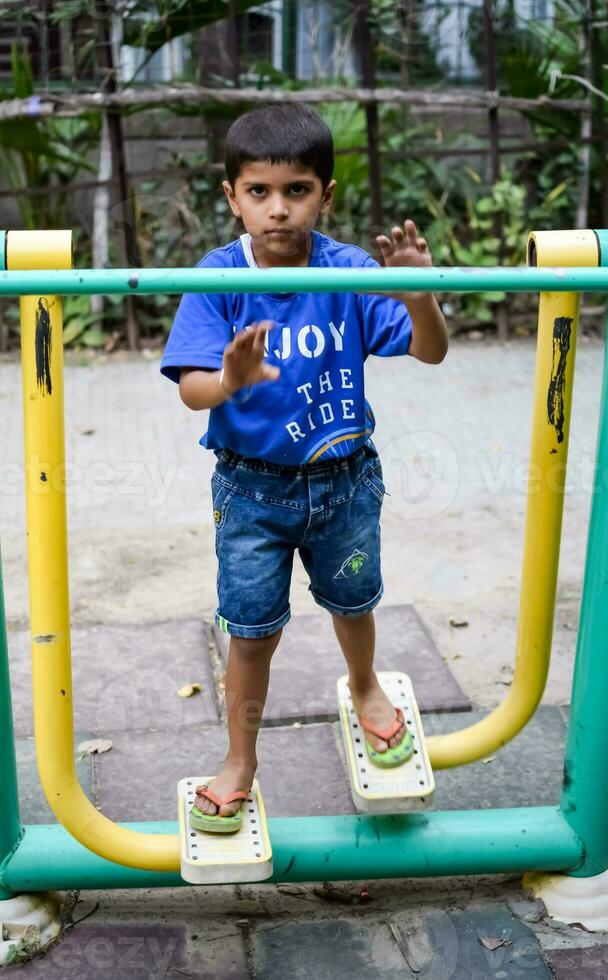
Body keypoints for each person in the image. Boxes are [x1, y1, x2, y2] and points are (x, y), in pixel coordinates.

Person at [161, 102, 448, 833]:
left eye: (296, 191)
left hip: (345, 480)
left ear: (325, 193)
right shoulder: (219, 277)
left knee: (353, 603)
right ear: (232, 197)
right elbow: (194, 391)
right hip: (251, 491)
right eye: (259, 192)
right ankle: (240, 759)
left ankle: (364, 685)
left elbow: (430, 349)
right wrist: (228, 378)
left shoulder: (349, 270)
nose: (278, 209)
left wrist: (419, 294)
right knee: (251, 631)